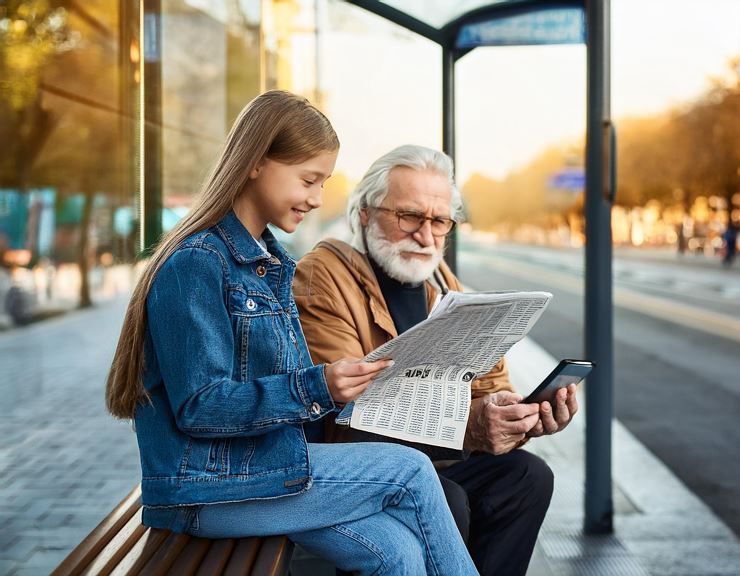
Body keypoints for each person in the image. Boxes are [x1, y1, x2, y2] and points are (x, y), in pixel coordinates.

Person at [105, 93, 478, 576]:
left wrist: (352, 389)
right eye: (308, 179)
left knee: (399, 553)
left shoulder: (270, 261)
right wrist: (317, 385)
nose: (318, 198)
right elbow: (200, 405)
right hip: (207, 488)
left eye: (323, 182)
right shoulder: (198, 262)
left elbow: (291, 385)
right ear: (257, 163)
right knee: (410, 471)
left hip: (263, 470)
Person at [294, 144, 579, 576]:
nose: (426, 236)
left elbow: (490, 390)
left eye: (440, 221)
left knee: (527, 477)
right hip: (362, 471)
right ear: (366, 212)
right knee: (447, 499)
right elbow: (348, 418)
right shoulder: (325, 275)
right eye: (409, 216)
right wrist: (469, 428)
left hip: (434, 461)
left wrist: (519, 419)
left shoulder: (444, 284)